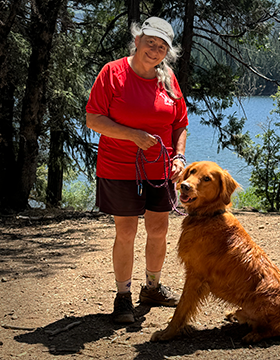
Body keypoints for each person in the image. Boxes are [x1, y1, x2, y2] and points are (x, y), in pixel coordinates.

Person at [86, 17, 188, 324]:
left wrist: (179, 156)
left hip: (161, 170)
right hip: (119, 169)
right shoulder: (112, 73)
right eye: (150, 42)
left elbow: (180, 122)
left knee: (158, 230)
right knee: (126, 231)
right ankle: (123, 297)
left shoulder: (168, 78)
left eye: (161, 46)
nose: (154, 50)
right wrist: (133, 135)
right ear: (137, 40)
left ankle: (152, 288)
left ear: (167, 52)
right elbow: (93, 118)